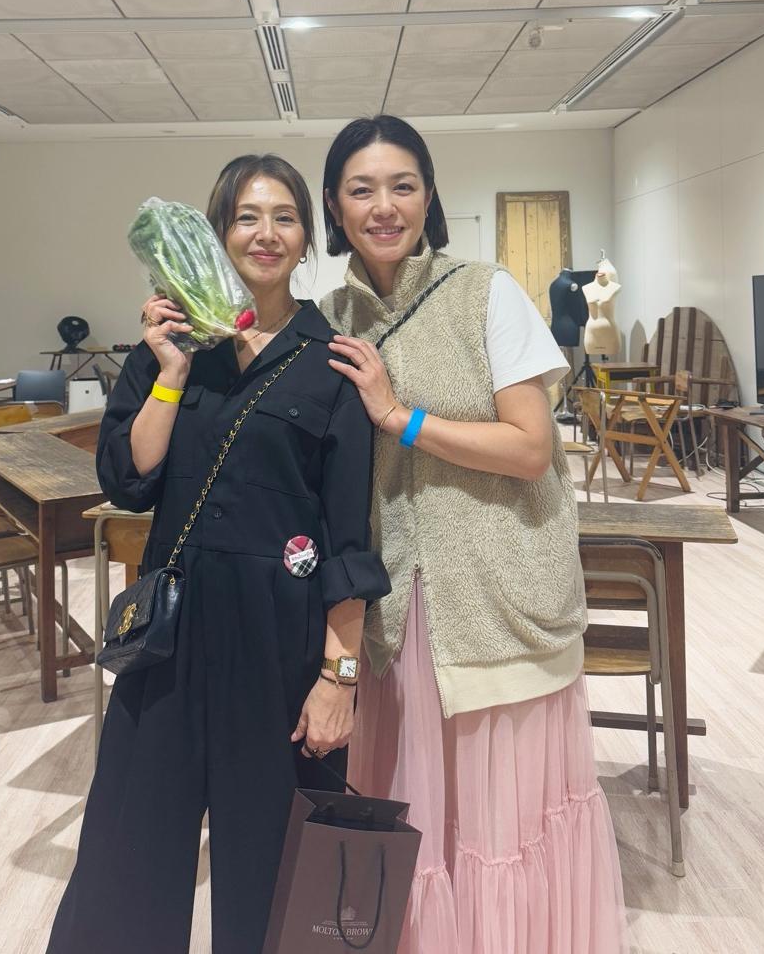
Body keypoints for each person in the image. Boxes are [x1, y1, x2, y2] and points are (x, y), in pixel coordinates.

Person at [46, 155, 390, 954]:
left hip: (281, 649)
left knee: (276, 878)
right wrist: (169, 374)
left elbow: (348, 540)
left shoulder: (333, 362)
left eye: (284, 217)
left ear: (307, 238)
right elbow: (129, 480)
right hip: (169, 640)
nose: (266, 234)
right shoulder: (169, 345)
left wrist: (338, 679)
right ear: (218, 233)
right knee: (127, 861)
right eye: (246, 217)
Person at [318, 116, 627, 953]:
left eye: (403, 185)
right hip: (393, 611)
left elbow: (530, 448)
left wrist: (400, 417)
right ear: (335, 207)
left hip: (495, 593)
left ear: (430, 196)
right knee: (413, 811)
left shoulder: (484, 290)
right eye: (361, 190)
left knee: (501, 817)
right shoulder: (329, 317)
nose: (384, 206)